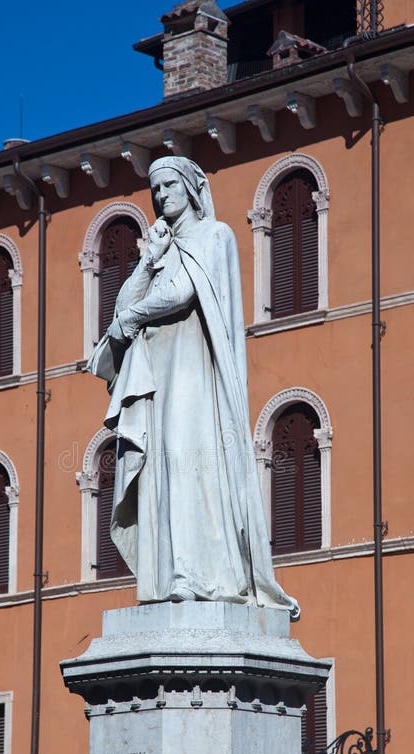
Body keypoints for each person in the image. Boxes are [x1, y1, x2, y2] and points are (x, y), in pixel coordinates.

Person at [87, 156, 299, 617]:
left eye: (168, 186)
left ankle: (197, 572)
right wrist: (147, 260)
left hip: (193, 374)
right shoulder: (163, 248)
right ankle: (168, 574)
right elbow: (127, 298)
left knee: (186, 465)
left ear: (190, 188)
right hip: (157, 375)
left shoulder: (214, 235)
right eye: (155, 189)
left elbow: (179, 293)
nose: (161, 196)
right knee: (160, 471)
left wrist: (132, 317)